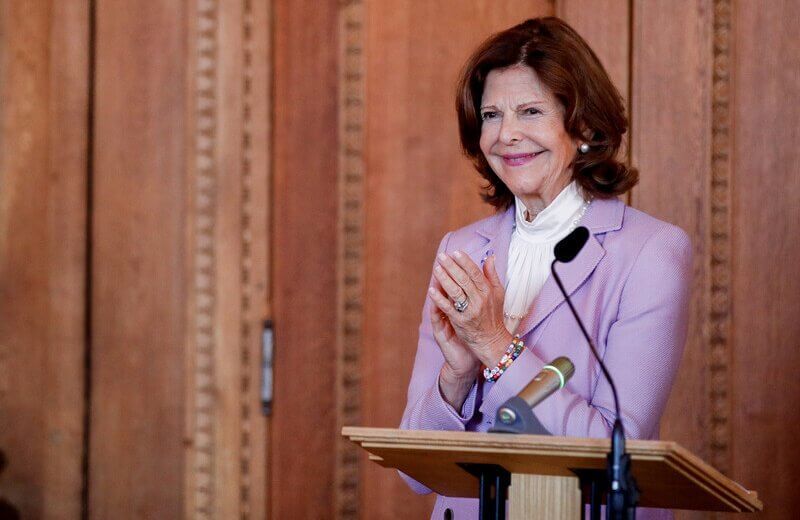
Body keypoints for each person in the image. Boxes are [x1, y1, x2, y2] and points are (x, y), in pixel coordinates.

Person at [399, 17, 691, 520]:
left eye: (530, 111)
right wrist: (457, 375)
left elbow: (613, 451)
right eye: (491, 115)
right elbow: (415, 471)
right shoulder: (463, 247)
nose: (506, 134)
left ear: (583, 127)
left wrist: (496, 348)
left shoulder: (652, 251)